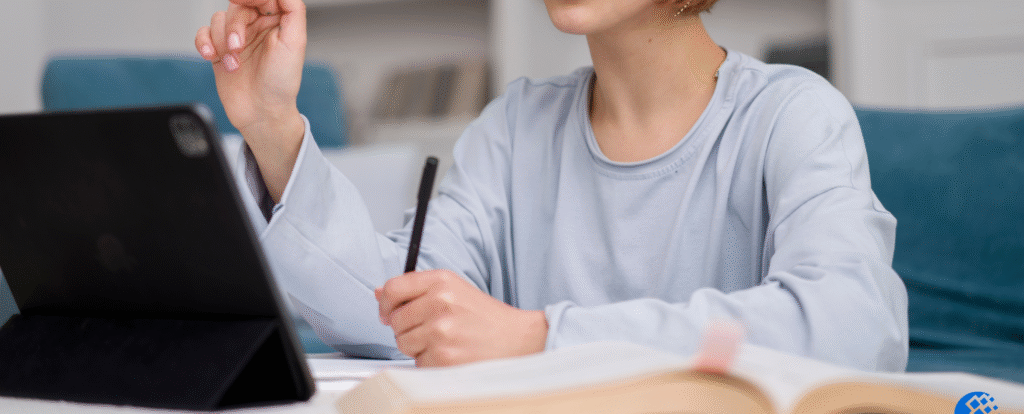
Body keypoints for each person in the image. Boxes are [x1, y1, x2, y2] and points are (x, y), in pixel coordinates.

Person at [195, 0, 909, 370]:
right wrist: (272, 126)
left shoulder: (793, 115)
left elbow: (852, 325)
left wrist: (539, 337)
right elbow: (395, 307)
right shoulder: (516, 129)